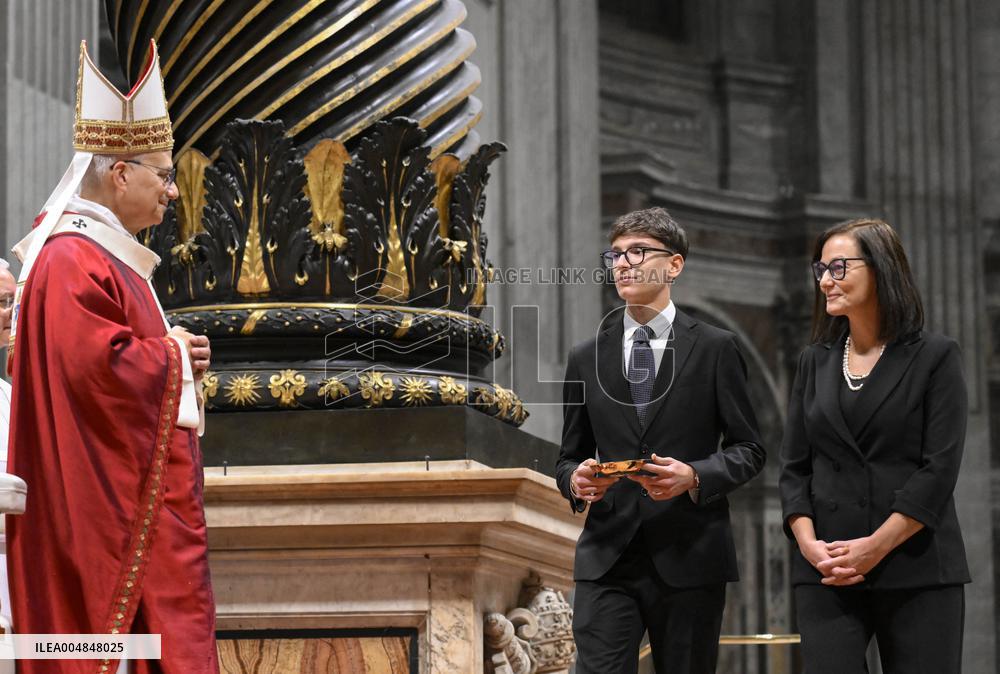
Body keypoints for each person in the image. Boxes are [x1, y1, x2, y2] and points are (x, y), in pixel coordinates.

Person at [5, 40, 219, 673]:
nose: (174, 192)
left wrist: (175, 356)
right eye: (163, 173)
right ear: (120, 171)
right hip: (101, 522)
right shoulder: (74, 259)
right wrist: (171, 357)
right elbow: (96, 373)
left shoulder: (108, 258)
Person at [556, 207, 766, 673]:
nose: (624, 264)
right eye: (616, 255)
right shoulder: (585, 356)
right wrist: (577, 481)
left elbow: (750, 450)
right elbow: (568, 457)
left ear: (674, 265)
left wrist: (695, 475)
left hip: (690, 552)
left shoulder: (716, 348)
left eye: (638, 252)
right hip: (608, 556)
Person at [779, 218, 970, 673]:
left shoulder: (936, 357)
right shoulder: (814, 361)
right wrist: (809, 545)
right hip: (827, 565)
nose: (825, 280)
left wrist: (877, 545)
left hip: (916, 564)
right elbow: (794, 468)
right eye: (820, 269)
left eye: (839, 267)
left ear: (881, 268)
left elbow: (938, 469)